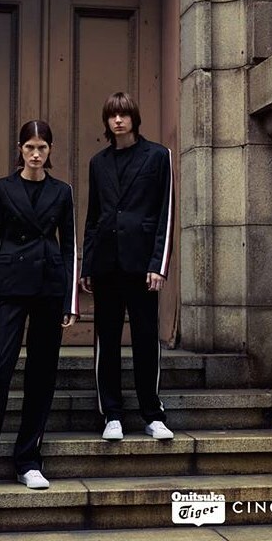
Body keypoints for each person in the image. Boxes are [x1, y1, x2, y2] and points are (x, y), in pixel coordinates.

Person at [0, 120, 79, 493]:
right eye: (29, 147)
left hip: (49, 290)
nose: (36, 154)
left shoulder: (63, 192)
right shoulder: (2, 188)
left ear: (50, 150)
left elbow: (70, 247)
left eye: (42, 147)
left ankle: (28, 462)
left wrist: (70, 300)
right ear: (20, 149)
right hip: (9, 290)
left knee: (41, 376)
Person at [80, 92, 174, 441]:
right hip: (106, 265)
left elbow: (165, 213)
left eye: (124, 114)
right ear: (106, 121)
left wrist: (158, 264)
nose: (118, 120)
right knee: (107, 341)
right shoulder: (98, 162)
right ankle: (112, 415)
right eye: (112, 115)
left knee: (146, 339)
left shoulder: (158, 156)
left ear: (134, 117)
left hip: (142, 265)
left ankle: (153, 414)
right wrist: (87, 264)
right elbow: (93, 217)